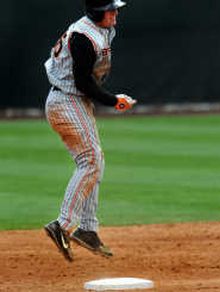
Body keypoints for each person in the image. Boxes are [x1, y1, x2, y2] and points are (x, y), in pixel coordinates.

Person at [43, 0, 136, 262]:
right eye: (110, 9)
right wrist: (113, 100)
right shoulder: (83, 37)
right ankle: (63, 225)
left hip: (73, 101)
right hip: (66, 101)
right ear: (96, 12)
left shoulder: (101, 29)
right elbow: (84, 82)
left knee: (94, 161)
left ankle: (88, 229)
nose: (115, 13)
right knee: (91, 161)